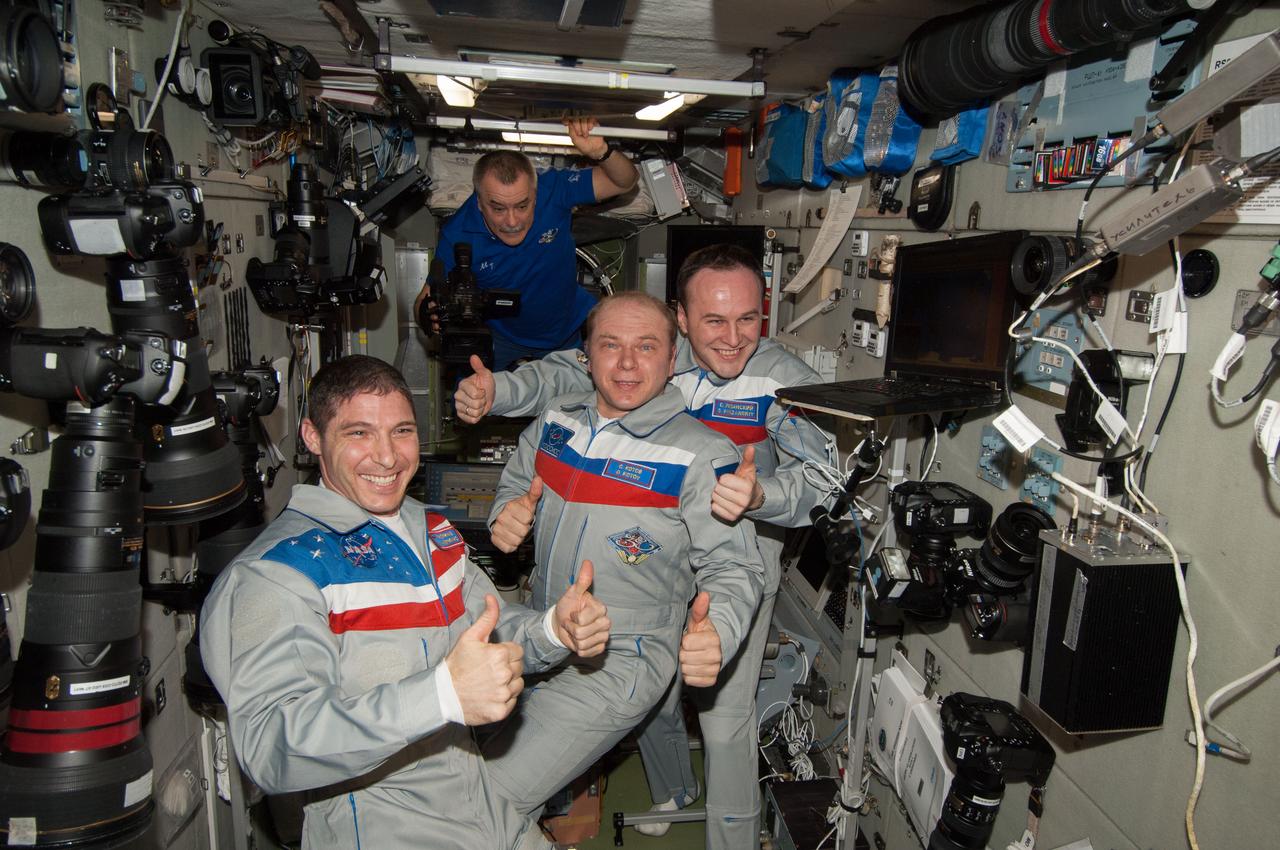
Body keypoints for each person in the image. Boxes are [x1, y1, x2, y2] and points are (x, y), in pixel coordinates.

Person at [454, 244, 835, 850]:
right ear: (681, 324)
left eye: (747, 319)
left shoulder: (781, 381)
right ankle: (674, 788)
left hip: (737, 547)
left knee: (722, 714)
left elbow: (829, 476)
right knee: (656, 692)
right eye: (715, 320)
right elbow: (570, 369)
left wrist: (762, 495)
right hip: (645, 548)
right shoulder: (653, 355)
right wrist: (499, 390)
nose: (734, 338)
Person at [199, 355, 612, 849]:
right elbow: (273, 746)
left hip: (483, 810)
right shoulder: (279, 573)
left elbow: (486, 630)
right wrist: (441, 695)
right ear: (312, 437)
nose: (387, 457)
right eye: (358, 434)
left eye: (401, 431)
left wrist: (552, 630)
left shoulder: (429, 530)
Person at [479, 291, 767, 822]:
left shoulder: (702, 454)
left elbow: (735, 567)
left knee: (488, 794)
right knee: (461, 761)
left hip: (624, 656)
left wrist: (720, 632)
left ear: (673, 357)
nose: (628, 363)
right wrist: (505, 518)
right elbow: (517, 485)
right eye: (610, 345)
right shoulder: (556, 423)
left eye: (646, 346)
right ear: (586, 357)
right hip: (542, 629)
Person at [414, 116, 638, 370]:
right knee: (471, 401)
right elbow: (424, 299)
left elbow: (625, 181)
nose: (512, 221)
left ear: (536, 194)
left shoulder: (553, 189)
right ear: (479, 201)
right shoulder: (459, 235)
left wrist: (602, 152)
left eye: (522, 206)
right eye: (498, 208)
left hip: (564, 331)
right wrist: (428, 317)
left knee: (576, 406)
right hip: (501, 337)